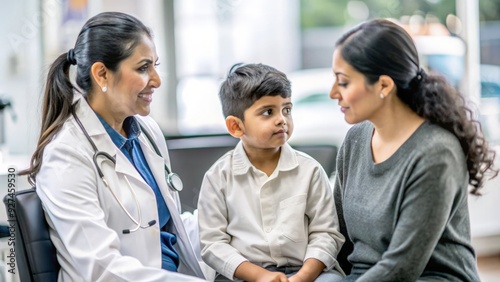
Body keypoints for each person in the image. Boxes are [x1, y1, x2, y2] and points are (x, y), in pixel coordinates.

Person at [20, 12, 211, 281]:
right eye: (143, 68)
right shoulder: (66, 155)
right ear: (102, 74)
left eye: (156, 65)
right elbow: (102, 269)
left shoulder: (146, 132)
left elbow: (170, 228)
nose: (157, 79)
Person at [329, 19, 498, 281]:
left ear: (384, 86)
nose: (332, 93)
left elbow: (402, 267)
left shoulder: (436, 153)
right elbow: (338, 237)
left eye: (343, 82)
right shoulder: (355, 140)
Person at [197, 63, 345, 282]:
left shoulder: (310, 170)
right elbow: (213, 244)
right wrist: (259, 276)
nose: (281, 119)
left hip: (306, 271)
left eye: (286, 109)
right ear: (236, 127)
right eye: (268, 112)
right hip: (244, 274)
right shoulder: (218, 176)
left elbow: (326, 233)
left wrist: (303, 276)